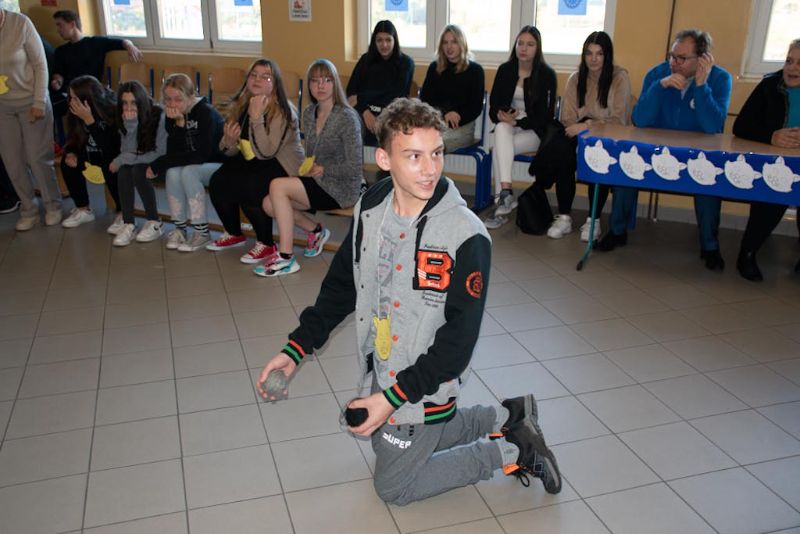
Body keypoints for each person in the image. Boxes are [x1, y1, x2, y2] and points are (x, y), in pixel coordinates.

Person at [256, 98, 562, 506]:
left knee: (393, 487)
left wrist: (391, 399)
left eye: (436, 153)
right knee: (384, 440)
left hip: (428, 379)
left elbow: (457, 345)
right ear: (384, 159)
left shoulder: (467, 236)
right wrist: (296, 349)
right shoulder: (371, 208)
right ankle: (508, 417)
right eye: (414, 156)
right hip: (385, 364)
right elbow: (342, 288)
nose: (430, 169)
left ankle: (511, 452)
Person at [598, 29, 732, 272]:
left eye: (682, 58)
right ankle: (617, 231)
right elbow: (640, 119)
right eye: (672, 56)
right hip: (655, 147)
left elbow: (713, 126)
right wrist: (660, 87)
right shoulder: (657, 74)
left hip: (698, 151)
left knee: (709, 178)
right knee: (627, 166)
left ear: (702, 59)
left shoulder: (720, 79)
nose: (674, 63)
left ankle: (710, 246)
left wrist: (701, 86)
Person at [255, 59, 362, 277]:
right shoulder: (309, 112)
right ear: (309, 85)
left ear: (335, 84)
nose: (320, 86)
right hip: (318, 180)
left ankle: (286, 257)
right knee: (268, 204)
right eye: (315, 81)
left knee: (277, 186)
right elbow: (312, 153)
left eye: (326, 80)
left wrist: (323, 169)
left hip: (341, 187)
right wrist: (309, 167)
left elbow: (354, 167)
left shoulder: (347, 117)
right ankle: (316, 231)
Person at [206, 59, 304, 264]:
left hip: (283, 164)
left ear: (275, 83)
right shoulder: (242, 104)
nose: (258, 80)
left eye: (265, 76)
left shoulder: (283, 110)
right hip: (255, 159)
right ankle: (234, 233)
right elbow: (233, 150)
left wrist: (257, 118)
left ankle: (266, 243)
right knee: (218, 181)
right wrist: (228, 142)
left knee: (251, 184)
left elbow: (267, 151)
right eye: (254, 75)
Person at [733, 39, 800, 281]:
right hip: (774, 163)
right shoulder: (770, 85)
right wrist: (771, 136)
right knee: (771, 197)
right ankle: (747, 254)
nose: (792, 68)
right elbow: (741, 126)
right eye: (789, 61)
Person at [558, 31, 632, 241]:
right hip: (579, 133)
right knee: (563, 153)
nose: (593, 59)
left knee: (598, 155)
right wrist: (581, 129)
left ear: (607, 56)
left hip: (609, 136)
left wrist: (587, 126)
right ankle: (564, 217)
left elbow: (619, 120)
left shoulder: (619, 78)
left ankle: (594, 219)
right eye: (589, 53)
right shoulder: (575, 78)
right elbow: (567, 117)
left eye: (599, 54)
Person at [484, 26, 557, 229]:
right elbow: (494, 106)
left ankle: (502, 201)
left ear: (538, 48)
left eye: (530, 44)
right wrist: (500, 114)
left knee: (499, 149)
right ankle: (506, 193)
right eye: (520, 43)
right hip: (509, 125)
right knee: (500, 129)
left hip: (534, 131)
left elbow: (545, 117)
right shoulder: (505, 70)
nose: (524, 48)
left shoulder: (547, 75)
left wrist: (518, 122)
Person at [0, 8, 63, 231]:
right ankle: (29, 209)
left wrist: (39, 102)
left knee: (37, 159)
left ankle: (53, 205)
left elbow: (40, 65)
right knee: (12, 162)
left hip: (31, 101)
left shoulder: (20, 23)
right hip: (3, 107)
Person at [148, 74, 224, 252]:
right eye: (167, 99)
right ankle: (180, 228)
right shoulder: (172, 113)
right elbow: (174, 153)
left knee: (189, 171)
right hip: (194, 163)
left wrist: (159, 163)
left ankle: (202, 232)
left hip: (216, 164)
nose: (172, 104)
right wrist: (179, 125)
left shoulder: (206, 113)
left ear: (191, 96)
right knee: (173, 172)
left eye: (178, 99)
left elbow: (201, 156)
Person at [50, 10, 142, 122]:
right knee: (51, 106)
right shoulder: (61, 51)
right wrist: (57, 81)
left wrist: (129, 45)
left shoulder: (95, 43)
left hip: (91, 93)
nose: (58, 30)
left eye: (60, 25)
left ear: (72, 24)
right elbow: (58, 73)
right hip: (70, 94)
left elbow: (121, 42)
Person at [60, 75, 122, 231]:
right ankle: (83, 209)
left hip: (113, 156)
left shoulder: (112, 111)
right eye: (70, 97)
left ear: (88, 99)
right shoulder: (74, 112)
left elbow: (110, 147)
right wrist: (71, 152)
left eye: (75, 98)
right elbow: (73, 138)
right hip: (89, 154)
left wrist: (89, 120)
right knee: (67, 162)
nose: (71, 102)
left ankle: (123, 212)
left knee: (111, 165)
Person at [109, 80, 166, 246]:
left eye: (133, 103)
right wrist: (131, 125)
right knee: (124, 170)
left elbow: (159, 153)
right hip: (141, 160)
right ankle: (128, 223)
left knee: (137, 170)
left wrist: (122, 159)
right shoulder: (123, 117)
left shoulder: (158, 115)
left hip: (162, 162)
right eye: (124, 103)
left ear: (141, 101)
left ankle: (154, 221)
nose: (129, 108)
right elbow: (126, 150)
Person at [346, 20, 415, 146]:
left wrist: (360, 97)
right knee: (348, 130)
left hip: (391, 114)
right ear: (374, 41)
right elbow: (350, 92)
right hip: (364, 113)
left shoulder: (406, 63)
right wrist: (365, 111)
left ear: (395, 41)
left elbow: (395, 95)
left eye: (388, 40)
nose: (384, 45)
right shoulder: (365, 60)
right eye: (379, 40)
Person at [419, 24, 485, 152]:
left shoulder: (475, 71)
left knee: (434, 144)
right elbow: (425, 100)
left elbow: (476, 106)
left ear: (462, 44)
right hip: (436, 122)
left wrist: (458, 116)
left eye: (454, 42)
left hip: (462, 126)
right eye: (445, 42)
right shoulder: (434, 68)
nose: (449, 47)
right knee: (414, 140)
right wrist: (445, 114)